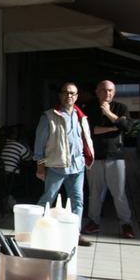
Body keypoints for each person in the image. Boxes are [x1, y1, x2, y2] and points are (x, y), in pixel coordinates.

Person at [33, 82, 95, 244]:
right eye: (66, 92)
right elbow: (40, 142)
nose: (69, 96)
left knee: (78, 200)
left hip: (77, 166)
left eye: (73, 93)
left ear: (77, 96)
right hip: (56, 166)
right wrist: (40, 165)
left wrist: (86, 158)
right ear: (60, 95)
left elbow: (84, 139)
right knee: (48, 198)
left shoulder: (80, 116)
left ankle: (75, 234)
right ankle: (36, 229)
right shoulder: (49, 116)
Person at [83, 80, 135, 239]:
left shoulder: (121, 108)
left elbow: (127, 127)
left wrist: (108, 114)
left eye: (111, 90)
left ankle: (126, 224)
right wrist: (114, 126)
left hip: (115, 156)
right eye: (104, 90)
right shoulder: (89, 108)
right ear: (97, 91)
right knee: (95, 193)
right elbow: (90, 131)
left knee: (119, 192)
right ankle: (93, 222)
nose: (108, 93)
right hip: (95, 156)